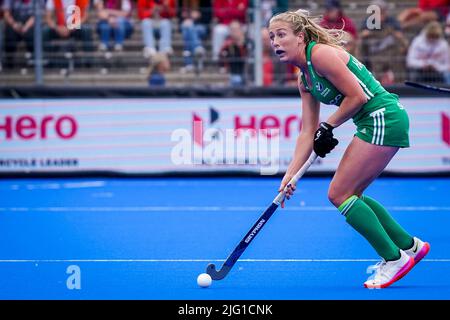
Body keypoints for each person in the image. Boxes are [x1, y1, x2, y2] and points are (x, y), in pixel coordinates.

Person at [268, 9, 430, 289]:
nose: (275, 42)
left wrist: (328, 127)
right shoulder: (304, 78)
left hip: (383, 117)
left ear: (300, 37)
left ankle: (394, 259)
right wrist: (290, 175)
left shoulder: (319, 55)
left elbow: (358, 96)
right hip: (372, 120)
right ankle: (410, 246)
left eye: (282, 35)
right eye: (272, 37)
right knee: (350, 193)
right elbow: (308, 131)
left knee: (339, 193)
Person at [359, 0, 409, 82]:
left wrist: (392, 32)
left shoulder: (392, 21)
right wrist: (366, 33)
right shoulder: (368, 22)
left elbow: (400, 36)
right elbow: (361, 35)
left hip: (391, 55)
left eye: (381, 11)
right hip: (375, 55)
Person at [2, 0, 37, 69]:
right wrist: (14, 25)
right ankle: (9, 63)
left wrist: (25, 27)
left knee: (33, 36)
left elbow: (37, 15)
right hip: (13, 23)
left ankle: (33, 62)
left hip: (30, 24)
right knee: (9, 35)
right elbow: (6, 14)